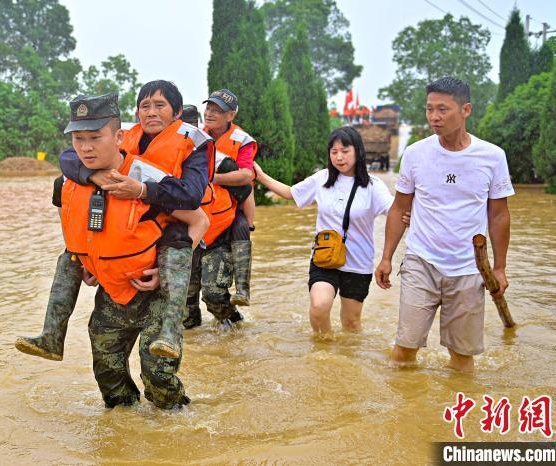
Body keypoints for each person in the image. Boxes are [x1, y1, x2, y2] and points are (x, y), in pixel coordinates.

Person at [57, 81, 214, 362]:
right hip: (126, 232)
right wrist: (93, 176)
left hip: (174, 224)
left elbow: (191, 196)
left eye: (160, 105)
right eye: (145, 106)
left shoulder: (195, 141)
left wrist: (142, 190)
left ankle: (169, 331)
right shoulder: (121, 134)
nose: (151, 112)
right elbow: (68, 159)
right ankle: (52, 334)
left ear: (177, 111)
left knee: (158, 369)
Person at [375, 77, 514, 372]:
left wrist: (499, 267)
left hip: (468, 268)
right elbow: (400, 207)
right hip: (421, 261)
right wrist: (386, 257)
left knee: (462, 359)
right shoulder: (415, 154)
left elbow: (499, 215)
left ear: (466, 110)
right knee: (403, 351)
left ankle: (453, 414)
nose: (434, 117)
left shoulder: (492, 156)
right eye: (429, 109)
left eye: (442, 109)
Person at [254, 126, 395, 335]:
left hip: (357, 263)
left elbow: (395, 212)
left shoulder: (373, 186)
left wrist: (388, 256)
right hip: (324, 257)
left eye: (345, 151)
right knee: (319, 307)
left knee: (351, 323)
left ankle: (345, 362)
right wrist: (261, 176)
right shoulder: (321, 179)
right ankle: (324, 352)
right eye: (334, 151)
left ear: (357, 151)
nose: (339, 157)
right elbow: (290, 193)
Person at [184, 89, 256, 329]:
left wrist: (213, 177)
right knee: (186, 297)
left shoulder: (242, 141)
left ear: (231, 115)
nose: (210, 114)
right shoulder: (195, 135)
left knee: (214, 294)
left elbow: (247, 175)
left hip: (223, 227)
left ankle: (235, 324)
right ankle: (193, 346)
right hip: (191, 226)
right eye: (209, 109)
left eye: (217, 111)